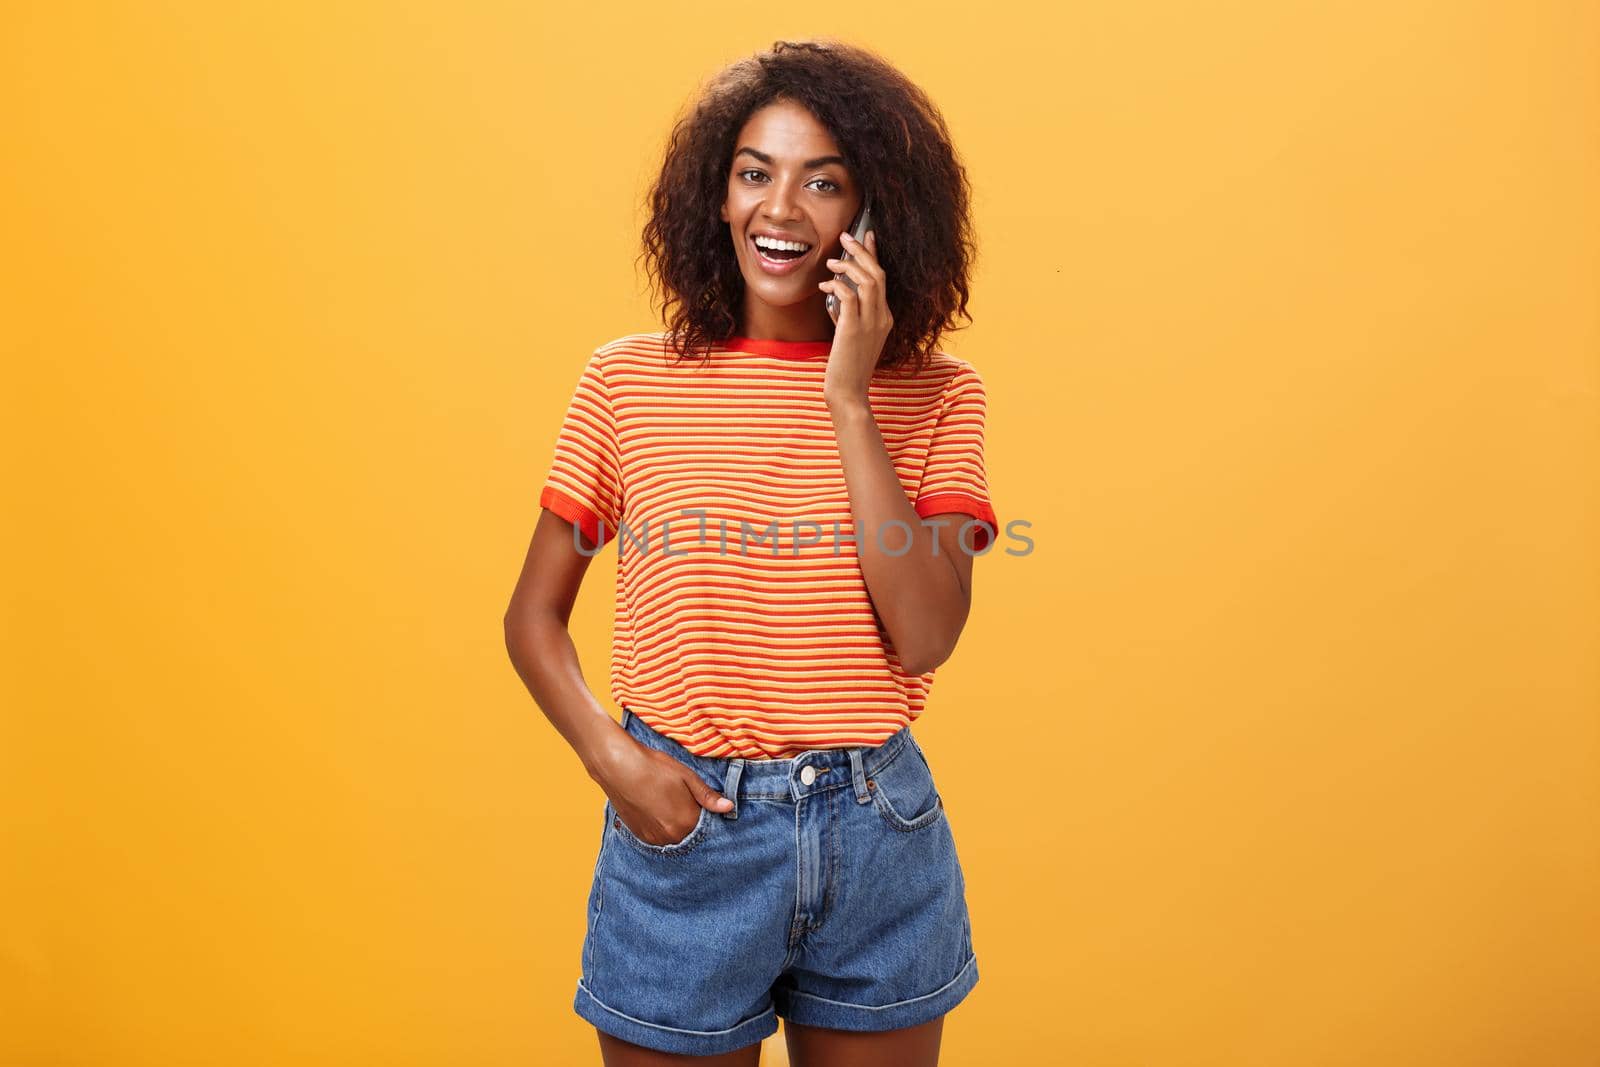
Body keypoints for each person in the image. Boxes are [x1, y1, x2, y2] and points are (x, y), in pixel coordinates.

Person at [504, 38, 997, 1067]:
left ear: (874, 216)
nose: (781, 210)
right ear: (715, 195)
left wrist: (851, 399)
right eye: (753, 173)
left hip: (877, 835)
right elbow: (531, 617)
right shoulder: (628, 382)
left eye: (824, 182)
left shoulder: (939, 395)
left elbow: (925, 634)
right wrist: (616, 761)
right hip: (685, 832)